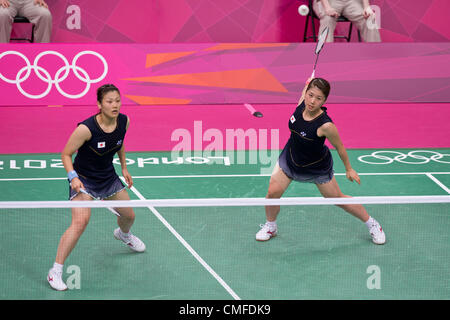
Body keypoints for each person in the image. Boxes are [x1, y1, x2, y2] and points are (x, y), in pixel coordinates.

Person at [256, 77, 385, 245]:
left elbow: (340, 147)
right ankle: (271, 226)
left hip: (316, 167)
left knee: (337, 198)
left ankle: (372, 224)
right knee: (272, 194)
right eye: (310, 95)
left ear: (324, 100)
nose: (312, 101)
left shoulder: (326, 126)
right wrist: (308, 86)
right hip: (291, 158)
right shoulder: (303, 101)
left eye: (318, 98)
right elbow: (305, 94)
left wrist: (349, 168)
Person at [47, 84, 146, 291]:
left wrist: (125, 167)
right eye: (109, 101)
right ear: (99, 104)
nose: (115, 105)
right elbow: (66, 154)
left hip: (108, 178)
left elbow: (119, 144)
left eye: (117, 100)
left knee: (129, 216)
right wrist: (72, 177)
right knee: (80, 222)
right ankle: (55, 271)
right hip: (84, 180)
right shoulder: (86, 128)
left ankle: (123, 234)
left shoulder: (124, 121)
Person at [313, 0, 380, 42]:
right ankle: (324, 55)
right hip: (327, 2)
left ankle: (376, 53)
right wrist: (327, 8)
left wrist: (366, 6)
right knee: (328, 18)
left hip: (352, 2)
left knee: (368, 18)